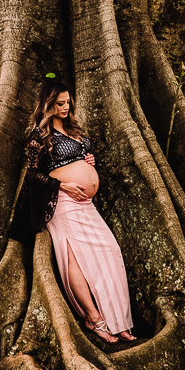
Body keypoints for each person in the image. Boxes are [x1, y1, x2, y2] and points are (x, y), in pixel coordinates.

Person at [20, 77, 136, 344]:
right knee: (76, 261)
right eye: (60, 103)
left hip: (86, 203)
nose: (65, 107)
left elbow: (80, 157)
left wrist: (88, 161)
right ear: (48, 104)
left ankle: (118, 320)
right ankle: (94, 319)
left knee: (110, 250)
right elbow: (32, 175)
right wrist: (62, 185)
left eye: (68, 103)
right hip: (62, 203)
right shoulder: (40, 135)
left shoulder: (73, 128)